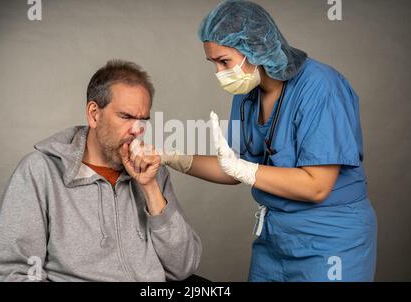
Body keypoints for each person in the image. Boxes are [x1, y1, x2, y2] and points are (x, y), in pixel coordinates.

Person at [160, 0, 377, 281]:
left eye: (224, 61)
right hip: (275, 241)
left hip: (330, 240)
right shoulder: (247, 93)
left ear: (256, 49)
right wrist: (170, 156)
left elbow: (317, 186)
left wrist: (242, 169)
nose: (218, 73)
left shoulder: (320, 87)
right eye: (212, 63)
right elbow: (231, 169)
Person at [0, 60, 202, 282]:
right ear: (94, 114)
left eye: (142, 120)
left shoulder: (153, 174)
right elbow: (6, 274)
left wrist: (150, 187)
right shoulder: (40, 171)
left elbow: (182, 267)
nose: (137, 130)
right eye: (126, 117)